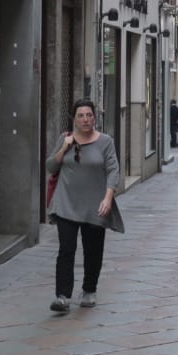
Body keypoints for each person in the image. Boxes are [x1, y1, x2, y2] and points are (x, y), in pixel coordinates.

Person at [45, 99, 119, 316]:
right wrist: (65, 147)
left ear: (94, 117)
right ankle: (62, 296)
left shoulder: (105, 142)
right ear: (74, 119)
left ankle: (89, 290)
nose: (86, 119)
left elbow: (113, 170)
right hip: (66, 203)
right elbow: (51, 166)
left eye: (89, 115)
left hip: (95, 205)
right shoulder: (64, 138)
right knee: (66, 250)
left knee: (93, 250)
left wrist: (108, 198)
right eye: (81, 115)